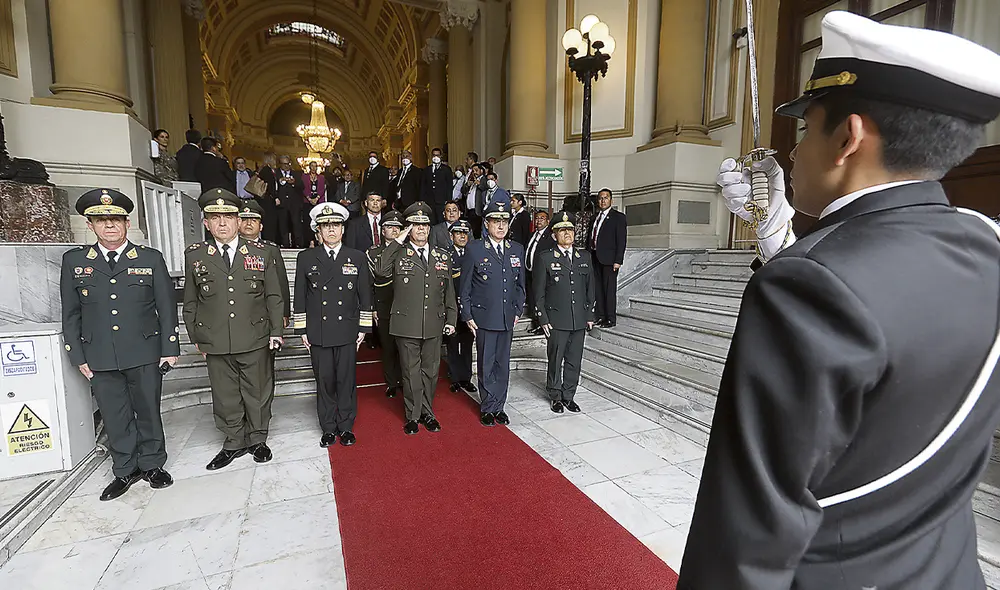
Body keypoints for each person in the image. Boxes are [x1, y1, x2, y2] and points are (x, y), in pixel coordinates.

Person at [678, 11, 1000, 590]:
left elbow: (750, 527)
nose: (795, 151)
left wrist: (796, 255)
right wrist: (780, 230)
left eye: (806, 130)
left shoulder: (805, 285)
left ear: (848, 137)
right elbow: (886, 322)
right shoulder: (988, 242)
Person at [60, 189, 179, 500]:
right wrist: (77, 353)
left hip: (144, 350)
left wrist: (170, 347)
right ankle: (125, 470)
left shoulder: (150, 259)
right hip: (99, 353)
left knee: (148, 410)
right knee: (114, 415)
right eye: (101, 220)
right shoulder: (74, 262)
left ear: (127, 223)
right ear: (90, 225)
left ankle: (153, 464)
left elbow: (166, 307)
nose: (108, 226)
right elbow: (70, 312)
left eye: (115, 219)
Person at [183, 189, 285, 470]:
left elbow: (273, 296)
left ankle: (258, 438)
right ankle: (233, 441)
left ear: (239, 220)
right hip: (215, 337)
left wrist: (276, 331)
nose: (222, 223)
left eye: (228, 216)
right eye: (215, 218)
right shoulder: (196, 255)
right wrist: (196, 337)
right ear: (206, 223)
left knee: (257, 390)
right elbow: (190, 300)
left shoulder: (260, 252)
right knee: (225, 393)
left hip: (254, 335)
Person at [293, 203, 372, 447]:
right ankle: (328, 427)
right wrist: (302, 330)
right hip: (319, 331)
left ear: (343, 229)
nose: (331, 230)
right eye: (325, 226)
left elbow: (365, 295)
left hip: (347, 330)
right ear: (318, 231)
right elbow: (299, 295)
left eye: (335, 225)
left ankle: (346, 426)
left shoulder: (356, 257)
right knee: (324, 380)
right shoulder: (306, 257)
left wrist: (363, 329)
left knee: (346, 381)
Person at [374, 201, 457, 435]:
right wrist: (398, 240)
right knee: (410, 372)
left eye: (424, 225)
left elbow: (448, 291)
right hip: (406, 323)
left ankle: (428, 414)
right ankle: (412, 415)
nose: (420, 229)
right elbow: (380, 270)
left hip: (433, 322)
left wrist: (451, 319)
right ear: (407, 228)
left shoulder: (442, 256)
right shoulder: (398, 253)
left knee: (430, 372)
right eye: (414, 224)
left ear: (430, 228)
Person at [460, 194, 526, 426]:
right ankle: (488, 407)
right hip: (484, 317)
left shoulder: (517, 249)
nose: (501, 225)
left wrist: (518, 310)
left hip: (507, 318)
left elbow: (520, 286)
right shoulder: (475, 249)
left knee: (502, 364)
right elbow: (465, 286)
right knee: (487, 364)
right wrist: (467, 315)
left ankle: (500, 406)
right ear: (486, 224)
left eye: (504, 221)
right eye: (495, 221)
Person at [534, 211, 595, 413]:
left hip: (578, 319)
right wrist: (542, 317)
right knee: (556, 359)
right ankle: (555, 395)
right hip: (556, 319)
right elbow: (539, 292)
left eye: (570, 229)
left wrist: (589, 315)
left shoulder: (584, 257)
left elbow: (590, 289)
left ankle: (569, 395)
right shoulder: (545, 258)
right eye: (562, 230)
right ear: (554, 234)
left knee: (574, 360)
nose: (567, 233)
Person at [366, 210, 405, 398]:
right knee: (388, 346)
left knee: (404, 345)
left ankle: (405, 380)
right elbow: (369, 283)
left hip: (405, 305)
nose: (394, 230)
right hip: (383, 304)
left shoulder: (408, 250)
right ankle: (391, 382)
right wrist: (372, 307)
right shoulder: (373, 252)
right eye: (390, 227)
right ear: (383, 231)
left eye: (398, 227)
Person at [237, 199, 290, 326]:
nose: (249, 223)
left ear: (261, 227)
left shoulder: (271, 249)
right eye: (244, 219)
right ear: (238, 223)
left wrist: (285, 312)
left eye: (254, 220)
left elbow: (281, 281)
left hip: (265, 311)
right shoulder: (229, 249)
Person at [587, 188, 627, 328]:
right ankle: (600, 316)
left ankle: (610, 318)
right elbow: (589, 238)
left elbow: (621, 240)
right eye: (600, 198)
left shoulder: (618, 217)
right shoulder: (594, 217)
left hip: (609, 260)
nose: (602, 200)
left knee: (608, 289)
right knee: (597, 289)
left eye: (605, 198)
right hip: (594, 257)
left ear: (611, 200)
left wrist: (618, 260)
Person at [445, 219, 476, 395]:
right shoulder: (446, 255)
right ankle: (455, 378)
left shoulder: (474, 254)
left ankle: (466, 378)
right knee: (452, 343)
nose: (462, 236)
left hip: (470, 308)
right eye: (458, 233)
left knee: (467, 343)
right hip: (453, 308)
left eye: (465, 233)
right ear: (451, 236)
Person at [524, 209, 554, 335]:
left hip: (541, 273)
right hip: (529, 272)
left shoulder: (550, 236)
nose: (539, 220)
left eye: (542, 218)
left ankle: (542, 325)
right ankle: (536, 322)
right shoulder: (532, 234)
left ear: (547, 221)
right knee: (532, 298)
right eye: (537, 218)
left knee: (540, 299)